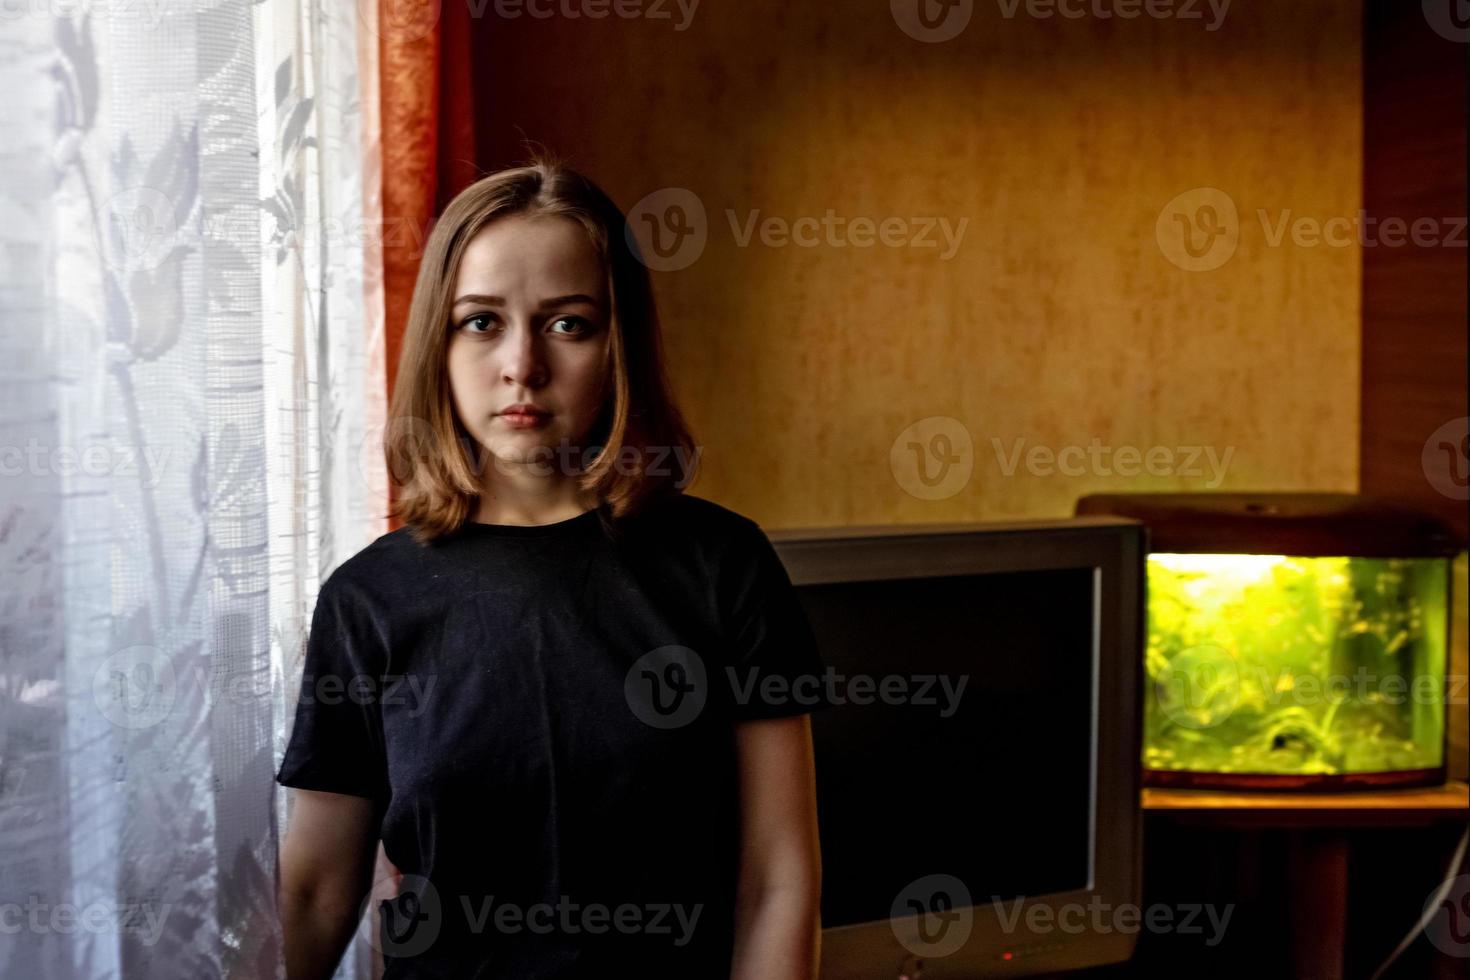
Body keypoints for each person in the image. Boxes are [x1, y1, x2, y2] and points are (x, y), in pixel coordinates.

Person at [275, 158, 828, 979]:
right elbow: (319, 894)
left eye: (568, 324)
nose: (522, 365)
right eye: (481, 322)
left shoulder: (724, 567)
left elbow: (778, 883)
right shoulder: (366, 601)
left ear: (620, 344)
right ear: (439, 339)